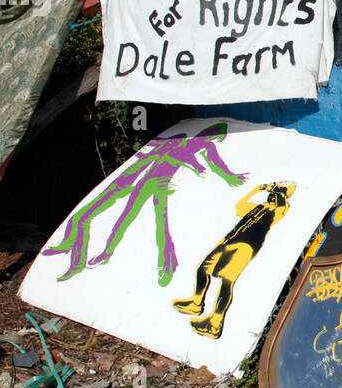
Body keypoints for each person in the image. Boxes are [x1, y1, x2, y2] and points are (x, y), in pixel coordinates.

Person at [43, 121, 247, 286]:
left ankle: (166, 265)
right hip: (147, 181)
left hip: (162, 184)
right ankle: (107, 252)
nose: (214, 141)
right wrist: (193, 165)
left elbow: (215, 162)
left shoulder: (205, 145)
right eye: (216, 137)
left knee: (161, 223)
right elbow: (169, 154)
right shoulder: (188, 139)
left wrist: (229, 175)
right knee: (126, 217)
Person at [173, 181, 295, 339]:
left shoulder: (279, 209)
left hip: (246, 246)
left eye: (281, 189)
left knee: (227, 280)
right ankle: (196, 302)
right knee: (203, 268)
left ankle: (215, 321)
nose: (274, 191)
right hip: (229, 241)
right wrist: (254, 191)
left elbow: (280, 202)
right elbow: (239, 206)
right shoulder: (260, 207)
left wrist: (277, 189)